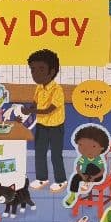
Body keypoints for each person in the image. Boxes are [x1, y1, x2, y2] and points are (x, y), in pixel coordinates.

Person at [22, 49, 66, 192]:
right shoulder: (39, 88)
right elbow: (35, 104)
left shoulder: (57, 89)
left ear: (52, 71)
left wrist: (31, 111)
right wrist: (25, 112)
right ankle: (42, 178)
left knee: (55, 155)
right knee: (39, 153)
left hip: (56, 127)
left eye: (41, 69)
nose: (36, 74)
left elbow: (48, 110)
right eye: (33, 70)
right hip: (41, 125)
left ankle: (61, 180)